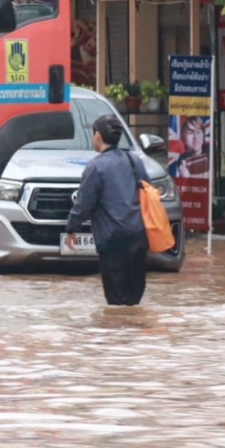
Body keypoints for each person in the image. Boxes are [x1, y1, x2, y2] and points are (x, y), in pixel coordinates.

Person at [64, 115, 150, 306]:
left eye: (92, 133)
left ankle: (119, 334)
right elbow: (148, 192)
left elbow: (84, 204)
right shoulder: (135, 161)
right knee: (134, 300)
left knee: (116, 303)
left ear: (98, 136)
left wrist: (71, 228)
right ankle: (134, 333)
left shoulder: (96, 167)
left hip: (112, 242)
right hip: (139, 238)